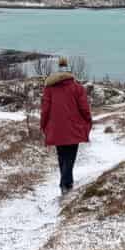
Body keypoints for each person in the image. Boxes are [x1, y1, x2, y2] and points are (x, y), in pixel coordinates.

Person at [40, 57, 92, 193]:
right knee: (70, 156)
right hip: (74, 126)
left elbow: (45, 109)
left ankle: (66, 183)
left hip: (56, 128)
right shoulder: (77, 88)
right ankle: (66, 183)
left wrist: (44, 125)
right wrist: (88, 121)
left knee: (62, 156)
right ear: (69, 72)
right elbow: (84, 108)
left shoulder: (49, 89)